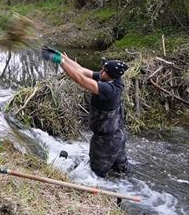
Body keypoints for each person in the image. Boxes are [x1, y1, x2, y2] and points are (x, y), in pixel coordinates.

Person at [42, 46, 130, 177]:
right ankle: (123, 188)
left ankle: (100, 194)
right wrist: (62, 57)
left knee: (96, 174)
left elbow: (80, 79)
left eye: (104, 71)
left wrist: (60, 62)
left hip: (105, 142)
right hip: (118, 136)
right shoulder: (113, 79)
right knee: (120, 171)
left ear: (111, 74)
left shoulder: (109, 90)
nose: (101, 72)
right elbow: (81, 70)